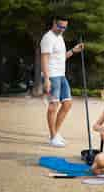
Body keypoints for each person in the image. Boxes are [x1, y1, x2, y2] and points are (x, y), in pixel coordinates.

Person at [40, 16, 84, 147]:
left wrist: (73, 51)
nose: (62, 29)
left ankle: (56, 132)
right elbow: (44, 59)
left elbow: (60, 57)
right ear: (54, 23)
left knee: (67, 104)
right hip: (52, 76)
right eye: (60, 26)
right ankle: (53, 136)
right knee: (54, 106)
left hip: (61, 75)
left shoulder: (60, 38)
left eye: (64, 27)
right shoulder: (48, 38)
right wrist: (46, 79)